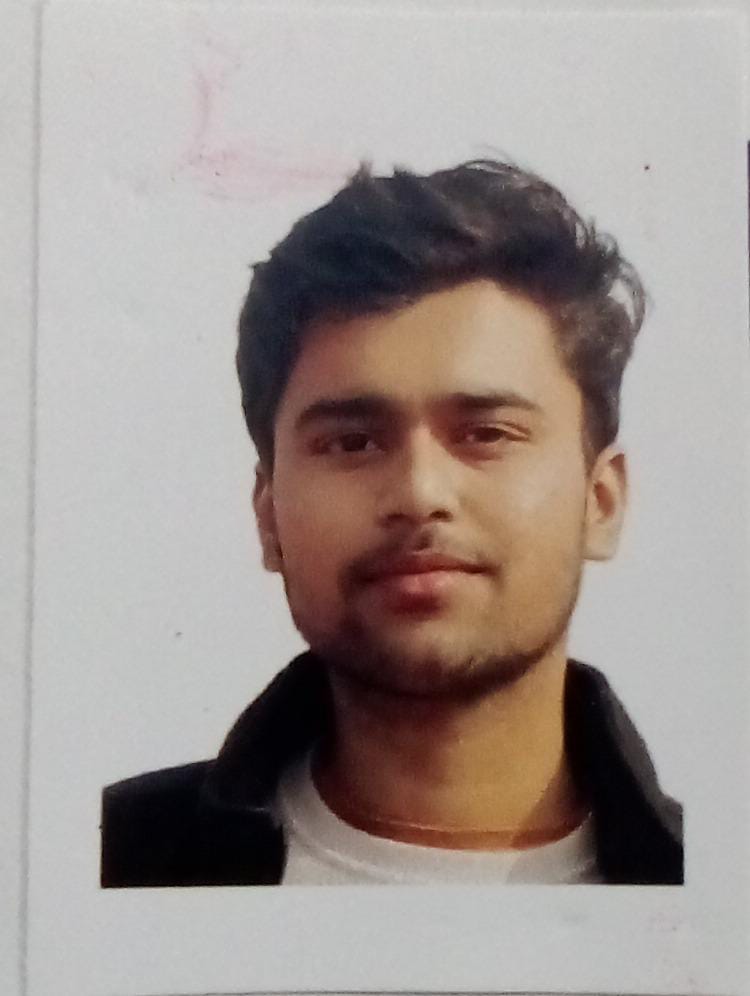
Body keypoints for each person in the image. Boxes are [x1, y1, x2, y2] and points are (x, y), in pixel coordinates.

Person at [101, 158, 683, 887]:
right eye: (353, 443)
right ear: (268, 515)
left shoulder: (722, 891)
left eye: (486, 434)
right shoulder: (103, 865)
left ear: (602, 501)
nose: (419, 492)